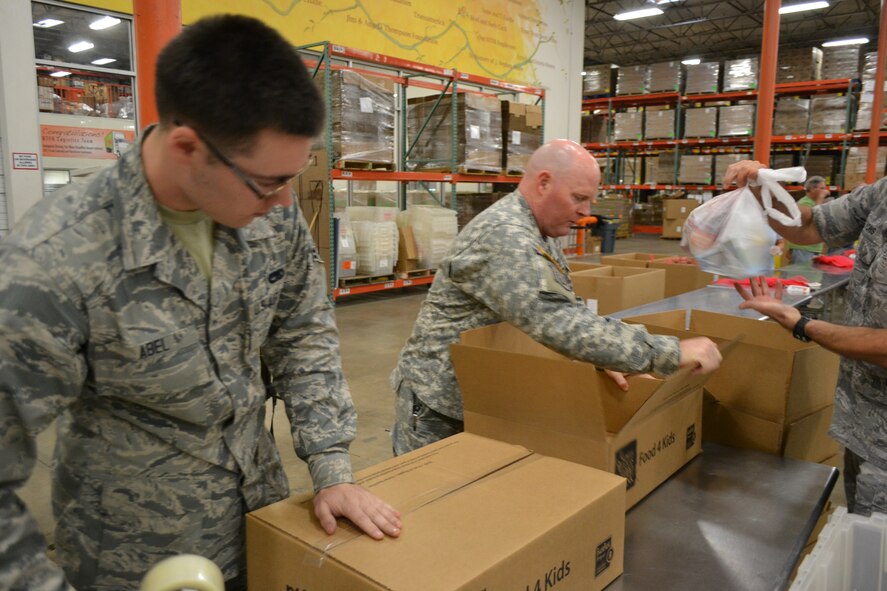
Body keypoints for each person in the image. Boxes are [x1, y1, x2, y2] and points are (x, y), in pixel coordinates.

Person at [0, 15, 400, 591]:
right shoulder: (57, 262)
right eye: (268, 182)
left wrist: (332, 467)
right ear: (188, 147)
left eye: (295, 175)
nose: (285, 201)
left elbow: (302, 331)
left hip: (261, 514)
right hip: (136, 557)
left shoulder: (269, 217)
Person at [390, 139, 723, 455]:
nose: (585, 211)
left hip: (482, 391)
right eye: (578, 198)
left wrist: (607, 356)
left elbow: (565, 306)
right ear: (544, 183)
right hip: (438, 404)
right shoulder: (507, 236)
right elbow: (556, 322)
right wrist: (666, 351)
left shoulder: (538, 230)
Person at [726, 159, 887, 516]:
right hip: (862, 420)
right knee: (861, 536)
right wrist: (762, 188)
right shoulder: (882, 192)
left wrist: (802, 324)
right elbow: (808, 225)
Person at [784, 175, 829, 264]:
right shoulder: (803, 204)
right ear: (812, 189)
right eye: (822, 188)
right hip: (803, 249)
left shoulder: (814, 203)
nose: (825, 191)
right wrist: (820, 198)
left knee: (811, 276)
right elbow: (816, 219)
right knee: (802, 276)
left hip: (812, 248)